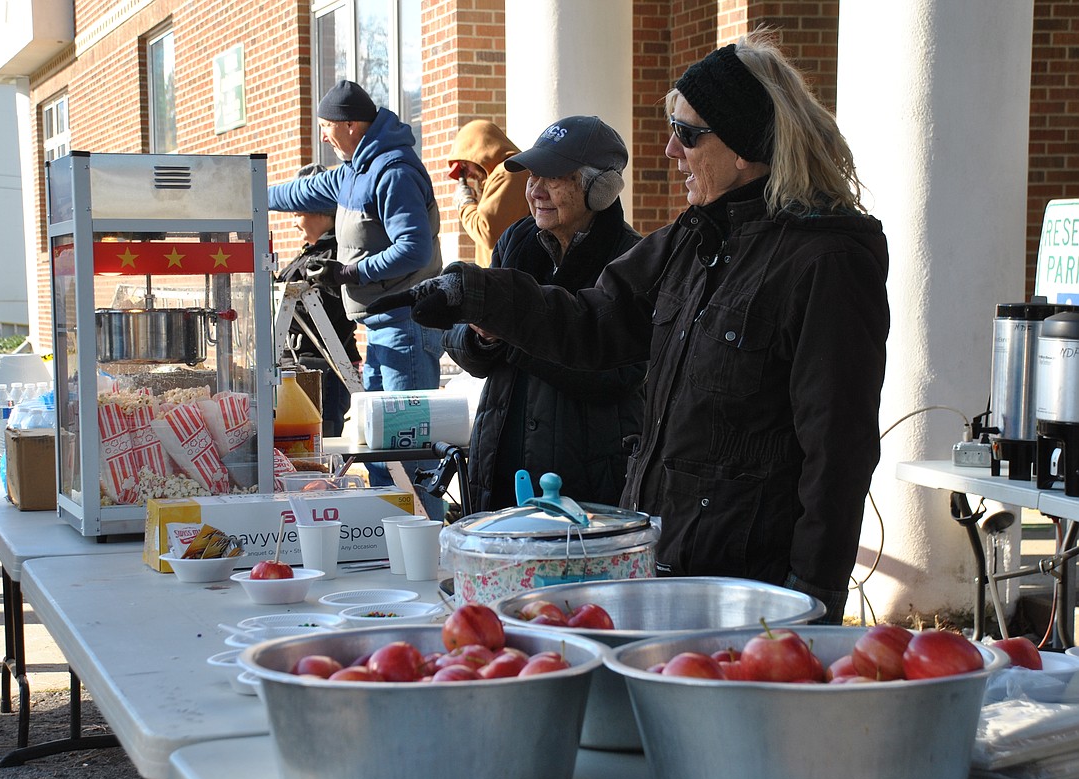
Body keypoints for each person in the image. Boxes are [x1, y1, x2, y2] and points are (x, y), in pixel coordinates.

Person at [369, 30, 891, 623]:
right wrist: (478, 294)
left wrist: (814, 592)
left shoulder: (826, 260)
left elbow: (839, 447)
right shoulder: (693, 239)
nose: (670, 150)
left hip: (755, 586)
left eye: (688, 134)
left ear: (745, 147)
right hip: (665, 561)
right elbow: (593, 321)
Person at [443, 116, 645, 511]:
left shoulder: (632, 259)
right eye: (531, 177)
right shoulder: (516, 240)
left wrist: (516, 332)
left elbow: (620, 374)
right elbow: (459, 343)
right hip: (500, 467)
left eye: (552, 179)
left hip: (586, 481)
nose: (534, 191)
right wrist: (482, 336)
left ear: (599, 188)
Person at [268, 80, 445, 518]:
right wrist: (243, 191)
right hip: (383, 331)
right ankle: (394, 549)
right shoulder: (353, 172)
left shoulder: (393, 171)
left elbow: (414, 248)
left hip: (408, 328)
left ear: (350, 125)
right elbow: (298, 193)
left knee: (407, 454)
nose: (324, 136)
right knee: (382, 450)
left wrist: (347, 272)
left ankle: (424, 552)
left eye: (327, 127)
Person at [275, 163, 362, 437]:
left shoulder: (335, 255)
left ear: (321, 212)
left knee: (320, 447)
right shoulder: (312, 252)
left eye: (298, 213)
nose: (293, 221)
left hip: (324, 367)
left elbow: (321, 309)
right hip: (303, 363)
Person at [447, 120, 531, 268]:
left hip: (506, 279)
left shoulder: (508, 173)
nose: (467, 175)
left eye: (465, 165)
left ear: (478, 152)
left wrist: (465, 203)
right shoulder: (502, 174)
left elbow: (487, 232)